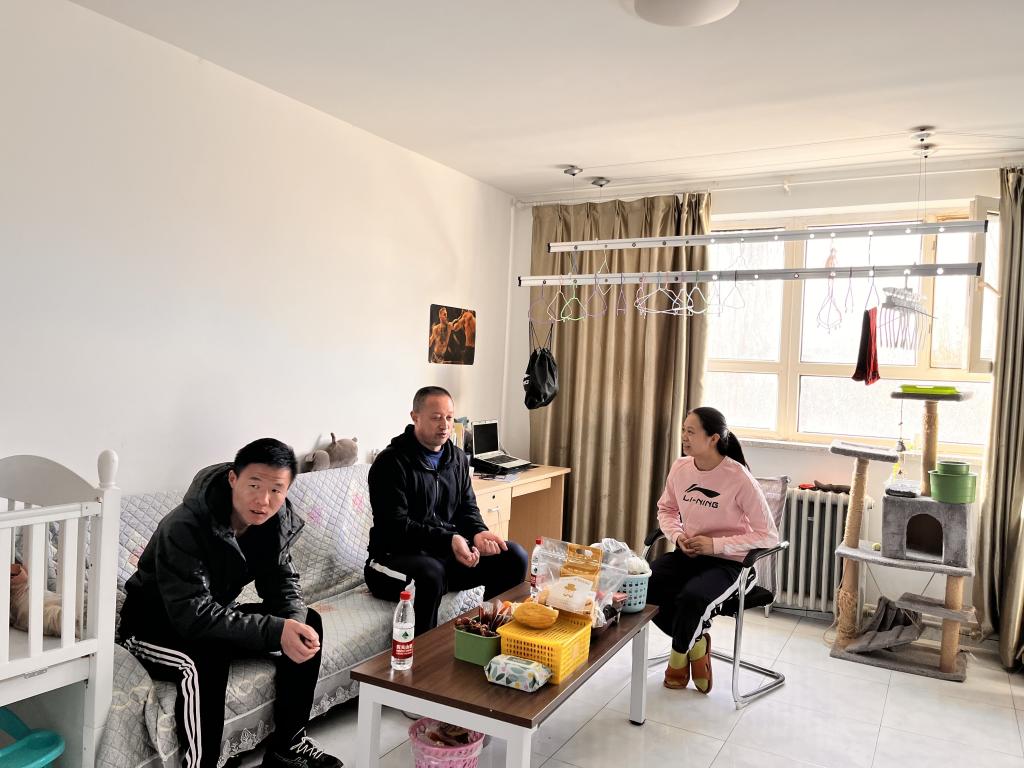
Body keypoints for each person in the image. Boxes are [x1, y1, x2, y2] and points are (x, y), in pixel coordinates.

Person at [118, 438, 341, 768]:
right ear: (233, 479)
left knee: (307, 623)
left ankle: (289, 745)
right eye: (254, 485)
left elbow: (283, 586)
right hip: (152, 625)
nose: (263, 500)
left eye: (276, 490)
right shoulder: (185, 527)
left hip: (208, 613)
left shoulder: (273, 523)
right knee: (206, 657)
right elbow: (192, 616)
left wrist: (291, 624)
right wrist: (275, 631)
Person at [365, 386, 529, 638]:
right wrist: (449, 540)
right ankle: (422, 656)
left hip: (443, 557)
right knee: (431, 575)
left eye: (449, 417)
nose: (445, 425)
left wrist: (477, 533)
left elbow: (467, 508)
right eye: (436, 417)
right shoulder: (391, 463)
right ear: (415, 417)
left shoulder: (457, 459)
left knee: (514, 556)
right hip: (392, 560)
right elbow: (394, 527)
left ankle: (490, 636)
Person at [646, 407, 778, 695]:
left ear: (713, 438)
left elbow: (768, 535)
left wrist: (716, 544)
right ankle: (696, 645)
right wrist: (678, 536)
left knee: (692, 599)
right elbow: (666, 510)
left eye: (691, 432)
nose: (684, 437)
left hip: (731, 565)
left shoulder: (739, 477)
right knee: (643, 585)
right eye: (683, 430)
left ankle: (677, 658)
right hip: (688, 555)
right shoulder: (680, 467)